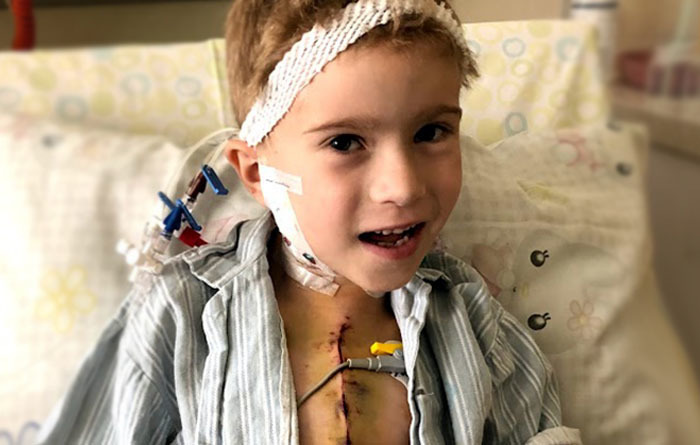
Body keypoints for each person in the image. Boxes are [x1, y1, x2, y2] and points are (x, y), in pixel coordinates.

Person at [36, 0, 582, 443]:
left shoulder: (474, 325)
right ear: (257, 174)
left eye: (431, 133)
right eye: (345, 142)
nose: (403, 187)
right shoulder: (182, 314)